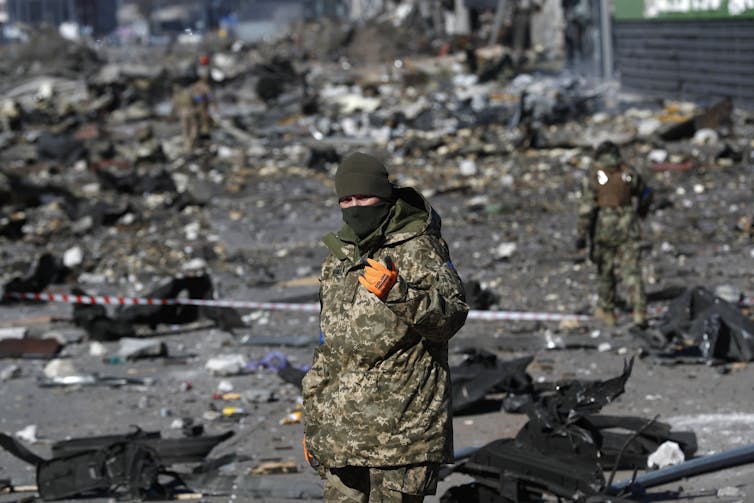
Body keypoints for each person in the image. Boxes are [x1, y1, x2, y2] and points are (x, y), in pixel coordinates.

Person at [302, 152, 469, 502]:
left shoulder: (418, 247)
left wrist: (398, 294)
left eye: (363, 197)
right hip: (342, 435)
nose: (354, 206)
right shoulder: (339, 257)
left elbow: (450, 319)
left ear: (385, 195)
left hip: (401, 437)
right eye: (345, 200)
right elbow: (329, 349)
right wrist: (316, 423)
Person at [576, 141, 653, 328]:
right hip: (628, 224)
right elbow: (645, 192)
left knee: (606, 270)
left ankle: (608, 312)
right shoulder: (627, 173)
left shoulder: (598, 175)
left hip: (605, 226)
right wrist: (641, 212)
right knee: (632, 270)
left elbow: (587, 209)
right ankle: (639, 312)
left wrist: (581, 235)